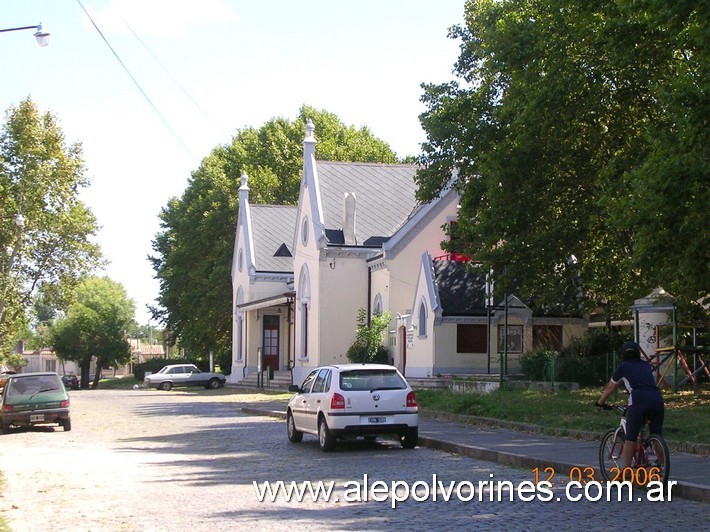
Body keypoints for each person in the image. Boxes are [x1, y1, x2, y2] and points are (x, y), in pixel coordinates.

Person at [596, 341, 664, 469]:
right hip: (656, 398)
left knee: (630, 438)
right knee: (656, 434)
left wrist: (600, 403)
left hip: (638, 399)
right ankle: (663, 465)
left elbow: (611, 388)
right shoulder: (645, 365)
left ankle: (626, 472)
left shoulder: (623, 367)